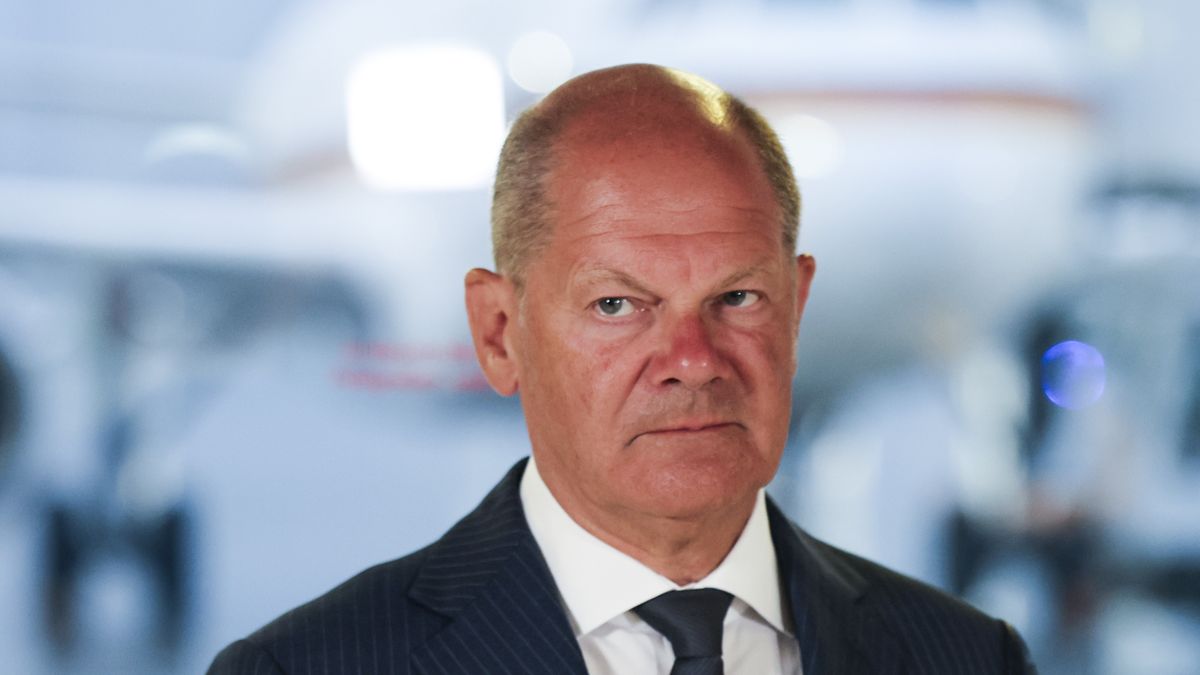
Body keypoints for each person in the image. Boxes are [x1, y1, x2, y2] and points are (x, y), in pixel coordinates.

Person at [208, 64, 1036, 675]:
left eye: (738, 297)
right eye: (618, 306)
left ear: (796, 306)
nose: (692, 362)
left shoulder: (971, 657)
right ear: (499, 332)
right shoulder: (310, 665)